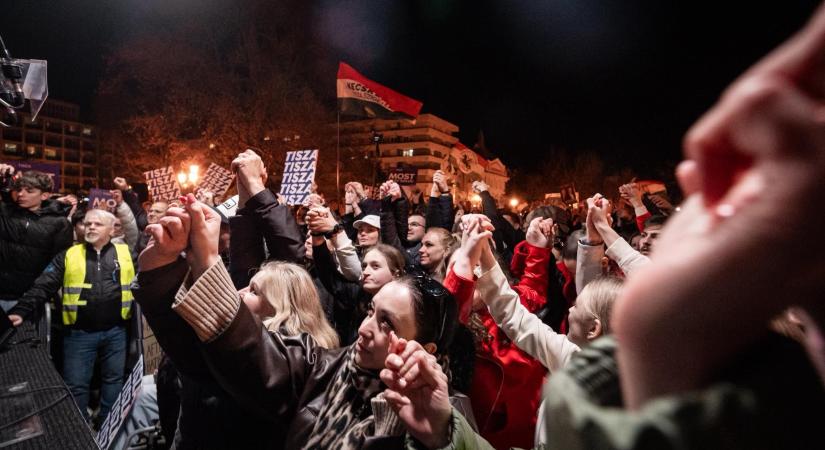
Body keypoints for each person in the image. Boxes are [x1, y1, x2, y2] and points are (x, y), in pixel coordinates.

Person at [379, 5, 825, 449]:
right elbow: (519, 313)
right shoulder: (587, 363)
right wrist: (447, 431)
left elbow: (526, 313)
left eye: (578, 309)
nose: (568, 309)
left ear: (598, 330)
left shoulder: (605, 385)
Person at [133, 195, 476, 449]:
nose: (363, 329)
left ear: (426, 348)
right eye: (370, 312)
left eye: (387, 324)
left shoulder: (436, 417)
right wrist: (161, 267)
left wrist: (436, 439)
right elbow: (250, 354)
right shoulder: (326, 367)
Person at [9, 208, 135, 427]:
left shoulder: (126, 254)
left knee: (114, 380)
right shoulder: (69, 255)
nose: (91, 227)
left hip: (116, 331)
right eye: (88, 223)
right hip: (79, 333)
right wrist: (21, 310)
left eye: (97, 224)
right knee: (76, 384)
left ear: (111, 230)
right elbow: (44, 285)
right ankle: (79, 428)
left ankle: (109, 426)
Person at [0, 166, 73, 313]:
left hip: (28, 302)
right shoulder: (5, 212)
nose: (21, 194)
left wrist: (28, 304)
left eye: (29, 191)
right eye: (19, 189)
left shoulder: (59, 224)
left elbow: (56, 269)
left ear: (44, 195)